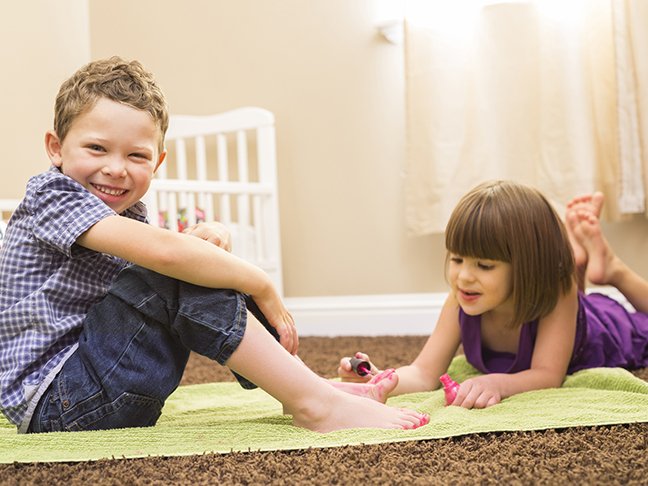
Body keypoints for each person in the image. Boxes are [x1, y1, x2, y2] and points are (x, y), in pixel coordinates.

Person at [0, 57, 429, 434]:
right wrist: (259, 281)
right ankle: (315, 403)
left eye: (136, 156)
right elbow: (167, 258)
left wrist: (213, 237)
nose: (115, 169)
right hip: (59, 404)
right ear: (56, 148)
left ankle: (301, 387)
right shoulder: (50, 196)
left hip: (100, 383)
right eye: (96, 148)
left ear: (158, 162)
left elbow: (167, 264)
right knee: (174, 269)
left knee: (188, 267)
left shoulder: (127, 214)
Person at [338, 180, 648, 409]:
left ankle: (612, 269)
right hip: (564, 298)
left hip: (602, 328)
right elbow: (422, 372)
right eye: (457, 259)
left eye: (484, 265)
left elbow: (547, 375)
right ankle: (577, 260)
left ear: (529, 267)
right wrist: (381, 380)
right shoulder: (461, 297)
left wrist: (497, 382)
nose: (463, 276)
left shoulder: (557, 293)